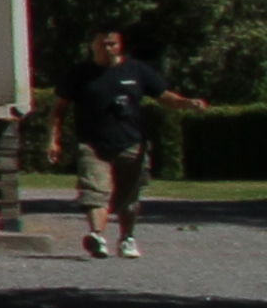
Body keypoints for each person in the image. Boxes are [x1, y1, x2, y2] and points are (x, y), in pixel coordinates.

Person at [67, 25, 212, 259]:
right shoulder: (80, 73)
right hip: (93, 144)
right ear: (93, 45)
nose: (107, 48)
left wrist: (187, 103)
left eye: (112, 43)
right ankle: (97, 236)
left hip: (131, 143)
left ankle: (127, 238)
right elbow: (59, 108)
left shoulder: (137, 70)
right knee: (94, 192)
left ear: (120, 45)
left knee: (130, 197)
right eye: (102, 44)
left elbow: (164, 96)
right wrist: (53, 139)